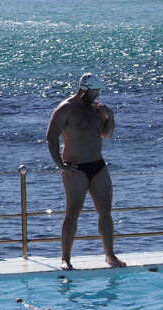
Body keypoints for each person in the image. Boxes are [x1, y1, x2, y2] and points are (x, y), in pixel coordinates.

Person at [46, 73, 125, 270]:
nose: (97, 95)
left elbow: (106, 135)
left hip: (98, 164)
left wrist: (110, 116)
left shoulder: (97, 108)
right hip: (75, 167)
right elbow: (51, 136)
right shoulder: (65, 108)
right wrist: (60, 164)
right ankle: (65, 258)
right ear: (84, 90)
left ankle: (110, 255)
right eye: (94, 92)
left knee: (105, 211)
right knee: (73, 212)